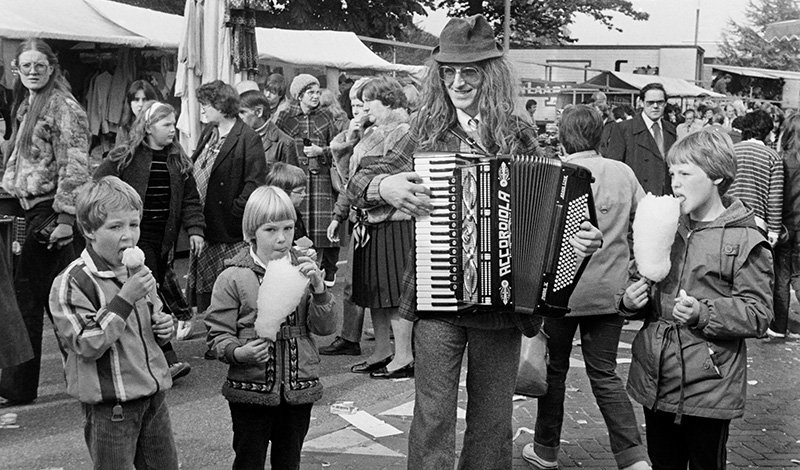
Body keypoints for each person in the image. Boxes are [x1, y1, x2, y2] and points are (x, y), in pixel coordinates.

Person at [347, 15, 602, 469]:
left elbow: (552, 206)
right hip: (436, 298)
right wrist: (383, 188)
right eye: (449, 71)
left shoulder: (517, 131)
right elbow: (360, 181)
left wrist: (578, 240)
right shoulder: (424, 130)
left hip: (503, 305)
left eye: (470, 71)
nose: (458, 81)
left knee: (492, 419)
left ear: (491, 74)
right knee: (433, 415)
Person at [622, 129, 773, 470]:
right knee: (663, 461)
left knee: (706, 463)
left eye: (686, 174)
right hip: (657, 374)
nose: (675, 183)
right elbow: (640, 278)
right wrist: (630, 301)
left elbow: (759, 312)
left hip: (709, 381)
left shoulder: (745, 238)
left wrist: (703, 313)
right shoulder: (666, 225)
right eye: (672, 173)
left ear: (717, 175)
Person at [522, 105, 650, 470]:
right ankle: (632, 457)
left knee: (555, 372)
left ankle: (546, 449)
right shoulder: (623, 172)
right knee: (605, 374)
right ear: (601, 135)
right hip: (611, 293)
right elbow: (645, 220)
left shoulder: (556, 173)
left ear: (562, 135)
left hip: (561, 296)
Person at [50, 176, 179, 469]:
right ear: (88, 230)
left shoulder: (138, 270)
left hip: (153, 396)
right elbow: (86, 342)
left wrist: (162, 327)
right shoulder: (73, 282)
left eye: (133, 224)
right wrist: (124, 299)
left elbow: (152, 319)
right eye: (115, 227)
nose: (128, 236)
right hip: (112, 407)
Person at [204, 185, 334, 470]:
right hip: (251, 388)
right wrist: (238, 353)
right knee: (249, 459)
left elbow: (325, 328)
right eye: (270, 230)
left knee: (289, 461)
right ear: (252, 232)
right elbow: (217, 335)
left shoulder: (305, 267)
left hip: (298, 385)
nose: (282, 238)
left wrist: (320, 290)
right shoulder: (234, 275)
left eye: (288, 228)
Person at [0, 38, 92, 406]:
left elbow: (75, 163)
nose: (33, 72)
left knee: (58, 302)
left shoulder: (64, 106)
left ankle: (84, 376)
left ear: (52, 67)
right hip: (23, 210)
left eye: (40, 65)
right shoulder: (27, 104)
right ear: (17, 71)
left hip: (50, 213)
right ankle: (19, 385)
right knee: (28, 300)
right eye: (26, 66)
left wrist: (67, 218)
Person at [95, 101, 206, 380]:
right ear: (148, 127)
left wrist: (195, 229)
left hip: (162, 239)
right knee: (148, 292)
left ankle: (153, 357)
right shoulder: (125, 155)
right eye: (167, 124)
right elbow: (98, 186)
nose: (173, 129)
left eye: (173, 123)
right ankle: (165, 358)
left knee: (151, 292)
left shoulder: (177, 157)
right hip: (133, 238)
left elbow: (190, 198)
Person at [346, 76, 415, 378]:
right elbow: (351, 178)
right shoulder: (373, 130)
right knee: (375, 292)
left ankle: (403, 355)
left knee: (394, 293)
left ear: (387, 100)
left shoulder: (402, 130)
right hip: (370, 221)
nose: (363, 106)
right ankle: (383, 350)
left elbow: (384, 174)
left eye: (368, 101)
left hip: (393, 222)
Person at [186, 80, 267, 317]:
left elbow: (254, 182)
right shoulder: (210, 132)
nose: (202, 109)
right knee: (209, 286)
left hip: (227, 228)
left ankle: (227, 336)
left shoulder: (247, 137)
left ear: (221, 106)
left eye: (206, 104)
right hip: (206, 222)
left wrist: (235, 210)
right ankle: (216, 335)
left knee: (228, 285)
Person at [319, 77, 373, 356]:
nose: (357, 111)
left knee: (385, 283)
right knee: (352, 280)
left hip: (383, 219)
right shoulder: (353, 136)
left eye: (363, 105)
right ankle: (351, 337)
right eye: (353, 104)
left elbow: (359, 182)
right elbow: (350, 182)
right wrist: (338, 216)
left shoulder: (385, 134)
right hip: (358, 217)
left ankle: (395, 346)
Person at [275, 74, 341, 288]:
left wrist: (322, 151)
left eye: (317, 92)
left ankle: (317, 280)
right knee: (296, 229)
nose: (315, 96)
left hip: (320, 183)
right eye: (310, 92)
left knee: (321, 234)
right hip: (294, 184)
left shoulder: (326, 117)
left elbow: (340, 150)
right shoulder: (285, 117)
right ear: (299, 95)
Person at [605, 83, 677, 196]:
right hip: (638, 198)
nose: (655, 106)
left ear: (665, 103)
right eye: (650, 102)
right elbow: (614, 169)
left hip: (666, 199)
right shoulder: (623, 129)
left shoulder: (671, 129)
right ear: (641, 103)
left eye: (660, 102)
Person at [727, 109, 784, 246]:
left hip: (729, 216)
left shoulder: (731, 152)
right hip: (756, 222)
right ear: (766, 131)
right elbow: (775, 197)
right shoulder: (772, 157)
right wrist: (774, 231)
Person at [770, 113, 800, 339]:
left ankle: (779, 325)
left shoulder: (783, 161)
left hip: (787, 227)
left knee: (781, 277)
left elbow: (778, 197)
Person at [238, 90, 298, 170]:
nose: (238, 117)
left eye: (242, 112)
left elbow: (291, 180)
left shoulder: (284, 143)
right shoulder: (236, 136)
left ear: (259, 112)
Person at [265, 161, 310, 242]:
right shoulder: (269, 218)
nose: (304, 194)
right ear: (283, 192)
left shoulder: (295, 213)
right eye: (300, 191)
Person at [116, 80, 160, 146]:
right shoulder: (124, 131)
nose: (141, 104)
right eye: (136, 100)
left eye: (144, 100)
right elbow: (118, 155)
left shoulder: (161, 127)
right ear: (130, 103)